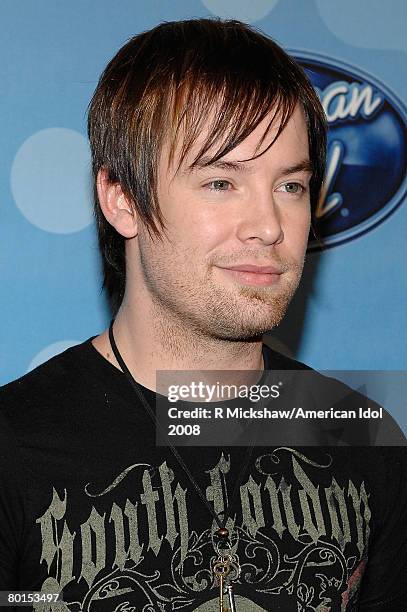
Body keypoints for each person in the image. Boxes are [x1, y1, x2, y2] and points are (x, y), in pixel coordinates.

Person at [1, 17, 406, 612]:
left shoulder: (362, 438)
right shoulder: (15, 443)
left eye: (290, 186)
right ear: (123, 200)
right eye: (221, 182)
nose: (270, 226)